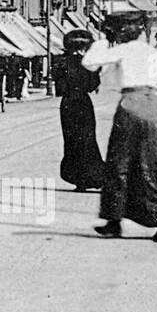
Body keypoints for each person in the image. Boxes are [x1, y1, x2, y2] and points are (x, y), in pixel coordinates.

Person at [82, 12, 157, 242]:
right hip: (154, 108)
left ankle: (114, 221)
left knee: (119, 163)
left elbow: (89, 62)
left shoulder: (122, 50)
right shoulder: (151, 52)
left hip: (130, 105)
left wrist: (103, 40)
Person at [53, 30, 105, 191]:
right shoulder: (87, 64)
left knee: (71, 141)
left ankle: (78, 179)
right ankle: (94, 176)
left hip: (68, 104)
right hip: (83, 103)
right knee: (87, 140)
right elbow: (92, 86)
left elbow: (59, 88)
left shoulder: (61, 63)